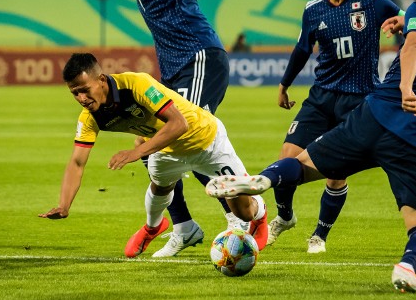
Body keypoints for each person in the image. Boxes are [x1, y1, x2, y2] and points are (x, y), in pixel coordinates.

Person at [207, 0, 416, 293]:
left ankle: (264, 181)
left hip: (375, 116)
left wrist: (405, 80)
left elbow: (415, 44)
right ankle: (408, 267)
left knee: (303, 164)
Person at [92, 0, 238, 256]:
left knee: (190, 138)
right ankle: (184, 226)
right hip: (174, 66)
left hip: (198, 54)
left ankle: (239, 221)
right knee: (150, 141)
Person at [39, 53, 268, 258]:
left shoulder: (137, 84)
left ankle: (260, 208)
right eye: (74, 93)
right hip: (166, 150)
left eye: (84, 90)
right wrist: (64, 204)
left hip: (207, 140)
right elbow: (77, 162)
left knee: (244, 212)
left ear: (100, 80)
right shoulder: (89, 117)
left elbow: (179, 124)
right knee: (160, 186)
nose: (81, 98)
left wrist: (135, 152)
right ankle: (153, 227)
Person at [268, 0, 403, 253]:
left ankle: (319, 236)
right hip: (321, 98)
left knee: (335, 171)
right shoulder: (313, 9)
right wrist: (284, 84)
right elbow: (303, 49)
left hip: (358, 101)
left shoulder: (372, 3)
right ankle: (285, 216)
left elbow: (411, 21)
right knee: (285, 160)